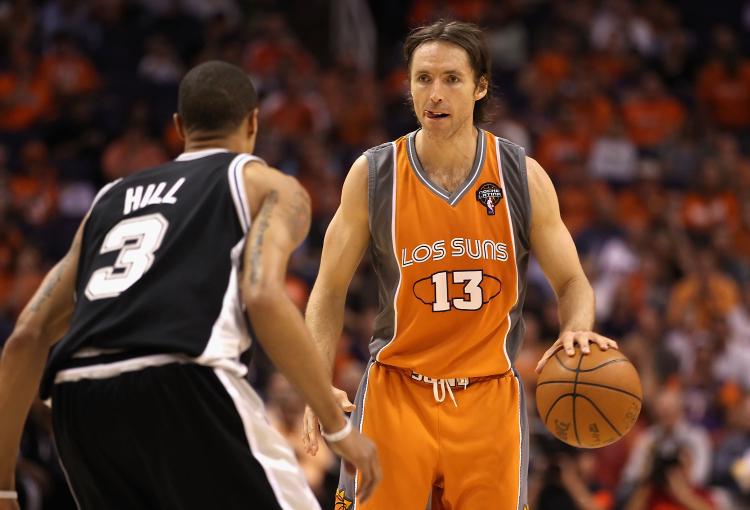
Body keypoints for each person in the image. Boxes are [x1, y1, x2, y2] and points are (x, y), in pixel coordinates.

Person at [0, 60, 380, 510]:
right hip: (182, 378)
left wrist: (4, 485)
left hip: (80, 398)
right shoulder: (264, 184)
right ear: (254, 121)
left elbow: (26, 335)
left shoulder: (110, 198)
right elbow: (262, 295)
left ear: (179, 126)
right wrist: (337, 427)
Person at [302, 19, 617, 509]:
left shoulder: (520, 176)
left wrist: (575, 326)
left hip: (487, 398)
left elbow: (573, 280)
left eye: (451, 78)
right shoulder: (374, 175)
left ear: (480, 87)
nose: (435, 93)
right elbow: (327, 289)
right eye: (422, 78)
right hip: (396, 392)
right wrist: (316, 384)